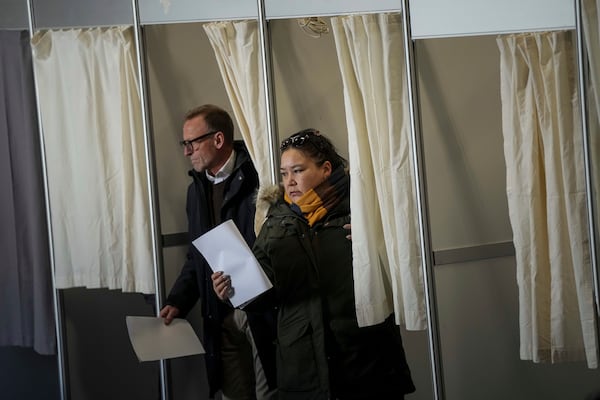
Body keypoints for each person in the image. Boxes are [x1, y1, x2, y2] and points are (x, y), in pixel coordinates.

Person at [213, 128, 416, 399]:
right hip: (303, 369)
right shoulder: (276, 220)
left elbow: (405, 270)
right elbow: (265, 297)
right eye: (284, 174)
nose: (290, 182)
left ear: (326, 169)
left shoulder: (365, 208)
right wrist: (231, 290)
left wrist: (380, 241)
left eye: (298, 170)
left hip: (366, 362)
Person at [160, 104, 277, 400]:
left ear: (218, 140)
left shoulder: (259, 176)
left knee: (269, 393)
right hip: (219, 312)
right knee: (232, 394)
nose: (187, 152)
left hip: (260, 309)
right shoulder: (196, 189)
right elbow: (196, 256)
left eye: (192, 142)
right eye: (184, 144)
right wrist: (178, 300)